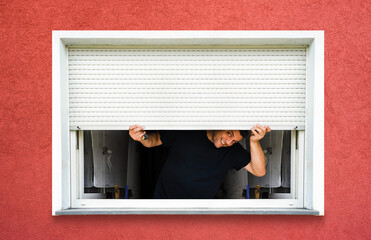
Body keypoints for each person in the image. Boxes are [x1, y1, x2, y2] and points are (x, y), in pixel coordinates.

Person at [129, 124, 271, 199]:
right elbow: (152, 141)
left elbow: (259, 171)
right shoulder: (187, 132)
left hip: (197, 214)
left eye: (234, 140)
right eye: (229, 133)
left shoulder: (232, 151)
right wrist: (141, 137)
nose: (228, 141)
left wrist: (254, 141)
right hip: (164, 206)